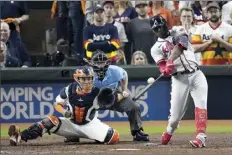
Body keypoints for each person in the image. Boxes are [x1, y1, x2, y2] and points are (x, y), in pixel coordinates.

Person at [8, 66, 119, 145]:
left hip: (89, 124)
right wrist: (63, 112)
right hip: (70, 123)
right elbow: (57, 104)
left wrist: (120, 95)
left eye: (89, 78)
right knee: (48, 121)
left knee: (113, 137)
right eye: (84, 79)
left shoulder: (97, 92)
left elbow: (110, 101)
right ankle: (19, 136)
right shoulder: (69, 90)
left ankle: (84, 136)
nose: (87, 81)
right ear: (77, 78)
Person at [150, 15, 208, 148]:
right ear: (153, 31)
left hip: (196, 74)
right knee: (175, 118)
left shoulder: (178, 29)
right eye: (156, 28)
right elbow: (162, 66)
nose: (160, 29)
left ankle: (201, 137)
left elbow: (182, 45)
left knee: (201, 104)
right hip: (179, 79)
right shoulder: (155, 49)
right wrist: (165, 69)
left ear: (165, 24)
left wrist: (170, 59)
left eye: (161, 25)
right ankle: (170, 130)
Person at [88, 51, 149, 141]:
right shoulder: (88, 72)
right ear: (92, 63)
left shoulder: (115, 70)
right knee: (78, 107)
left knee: (133, 106)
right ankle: (74, 134)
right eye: (97, 63)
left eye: (102, 62)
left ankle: (137, 131)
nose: (100, 65)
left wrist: (124, 90)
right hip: (94, 98)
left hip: (114, 95)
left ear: (107, 62)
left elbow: (124, 75)